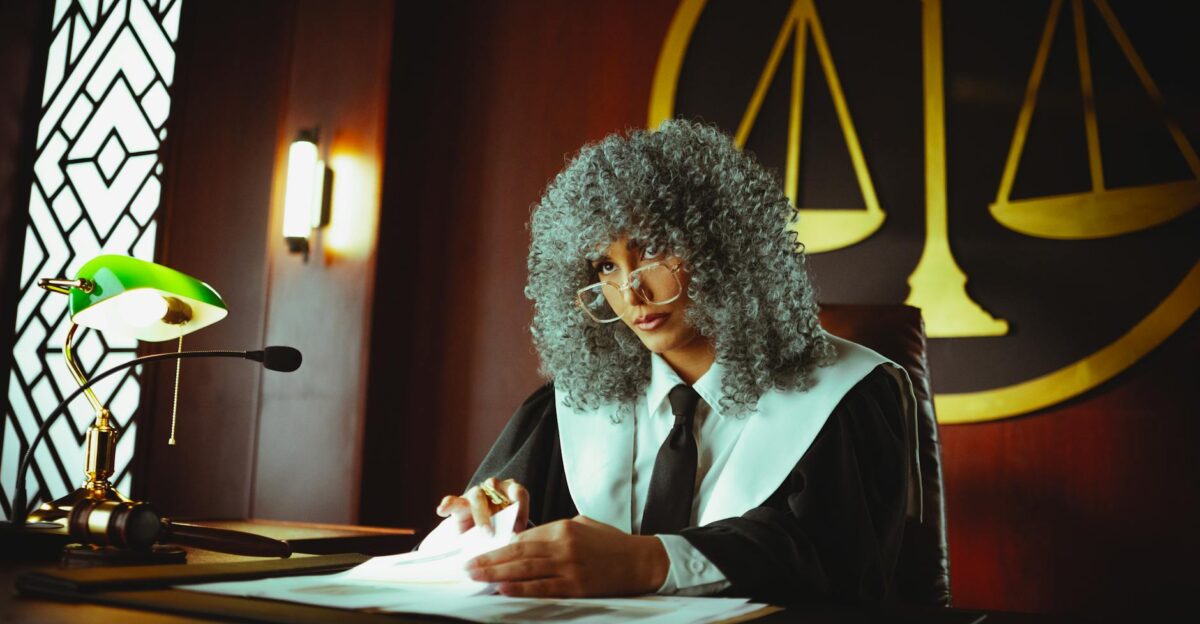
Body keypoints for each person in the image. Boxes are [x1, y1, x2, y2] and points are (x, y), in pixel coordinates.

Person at [429, 119, 918, 605]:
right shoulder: (573, 405)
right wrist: (491, 517)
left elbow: (837, 566)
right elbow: (489, 531)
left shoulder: (846, 396)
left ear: (724, 246)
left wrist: (648, 561)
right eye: (605, 265)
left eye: (655, 251)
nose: (630, 291)